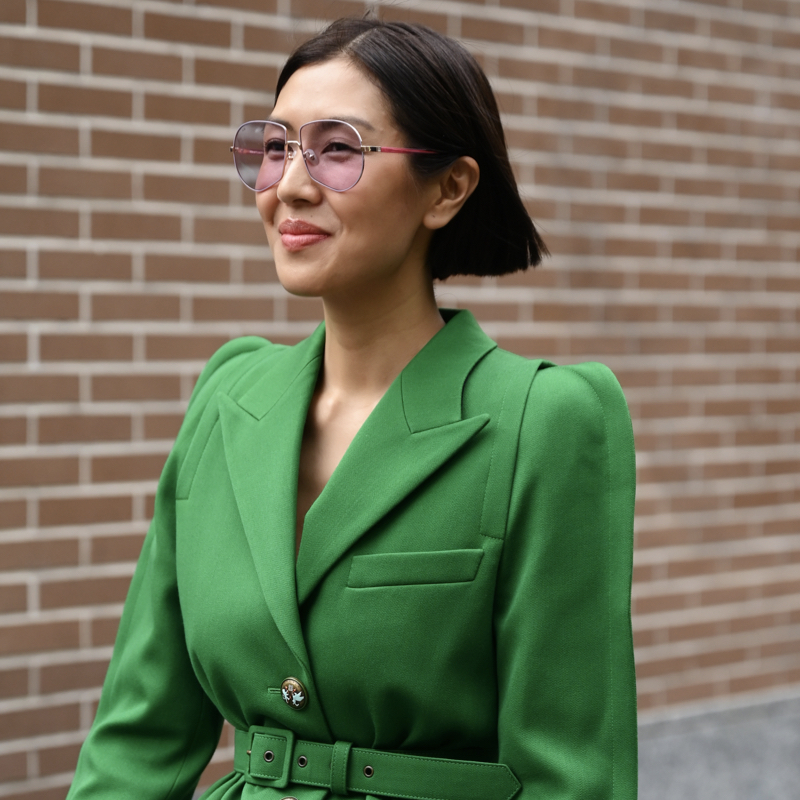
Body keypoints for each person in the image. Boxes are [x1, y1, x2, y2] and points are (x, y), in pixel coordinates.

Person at [67, 16, 637, 800]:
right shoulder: (228, 394)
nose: (292, 185)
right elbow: (140, 734)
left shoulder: (545, 419)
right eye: (276, 147)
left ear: (448, 188)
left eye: (338, 149)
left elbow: (571, 773)